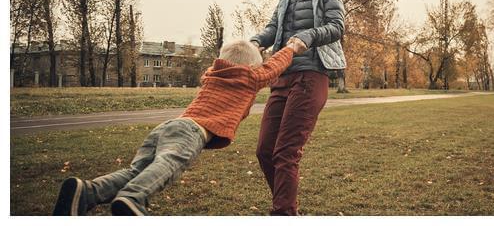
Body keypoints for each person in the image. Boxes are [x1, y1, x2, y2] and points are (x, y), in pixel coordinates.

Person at [52, 39, 306, 216]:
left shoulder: (212, 74)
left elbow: (243, 63)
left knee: (137, 169)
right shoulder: (250, 77)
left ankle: (87, 191)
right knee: (169, 164)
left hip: (171, 126)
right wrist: (292, 48)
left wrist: (252, 47)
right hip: (192, 132)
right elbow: (273, 68)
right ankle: (133, 197)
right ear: (252, 67)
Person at [251, 0, 346, 215]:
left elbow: (337, 26)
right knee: (265, 151)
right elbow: (273, 28)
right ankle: (287, 208)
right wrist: (255, 42)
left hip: (311, 76)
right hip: (282, 77)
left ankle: (283, 213)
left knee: (285, 152)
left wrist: (308, 36)